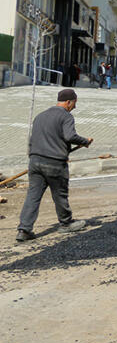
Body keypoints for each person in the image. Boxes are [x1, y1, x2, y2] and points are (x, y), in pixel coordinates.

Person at [16, 89, 93, 242]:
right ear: (69, 102)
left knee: (33, 196)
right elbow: (69, 136)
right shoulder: (66, 116)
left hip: (35, 161)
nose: (74, 108)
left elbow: (34, 140)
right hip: (54, 164)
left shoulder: (40, 116)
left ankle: (24, 230)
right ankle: (66, 224)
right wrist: (85, 141)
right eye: (74, 104)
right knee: (60, 194)